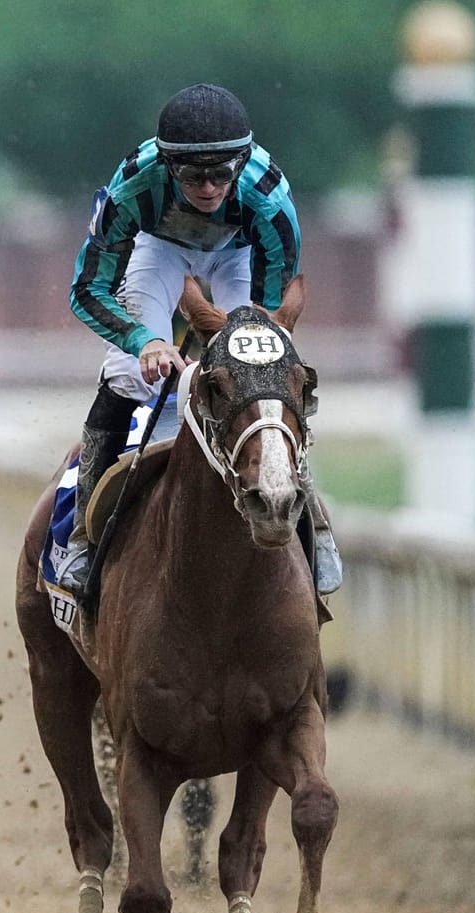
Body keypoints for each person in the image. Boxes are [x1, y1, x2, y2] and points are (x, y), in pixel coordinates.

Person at [60, 83, 337, 596]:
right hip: (157, 248)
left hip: (240, 250)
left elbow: (273, 321)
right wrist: (144, 340)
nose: (208, 188)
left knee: (261, 371)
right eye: (192, 176)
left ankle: (311, 519)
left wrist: (246, 342)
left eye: (220, 174)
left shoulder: (271, 202)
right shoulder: (131, 190)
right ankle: (82, 536)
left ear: (241, 164)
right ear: (167, 167)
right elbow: (87, 289)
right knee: (127, 375)